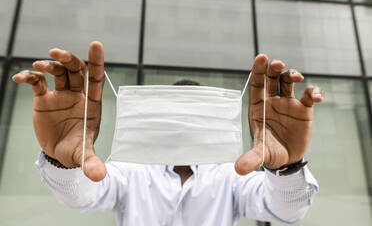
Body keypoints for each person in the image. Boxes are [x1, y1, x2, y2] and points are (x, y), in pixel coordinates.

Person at [12, 41, 324, 225]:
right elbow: (80, 197)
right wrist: (62, 163)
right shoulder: (129, 171)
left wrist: (287, 167)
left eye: (195, 115)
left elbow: (285, 209)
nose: (184, 125)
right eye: (174, 115)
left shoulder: (232, 175)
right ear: (157, 118)